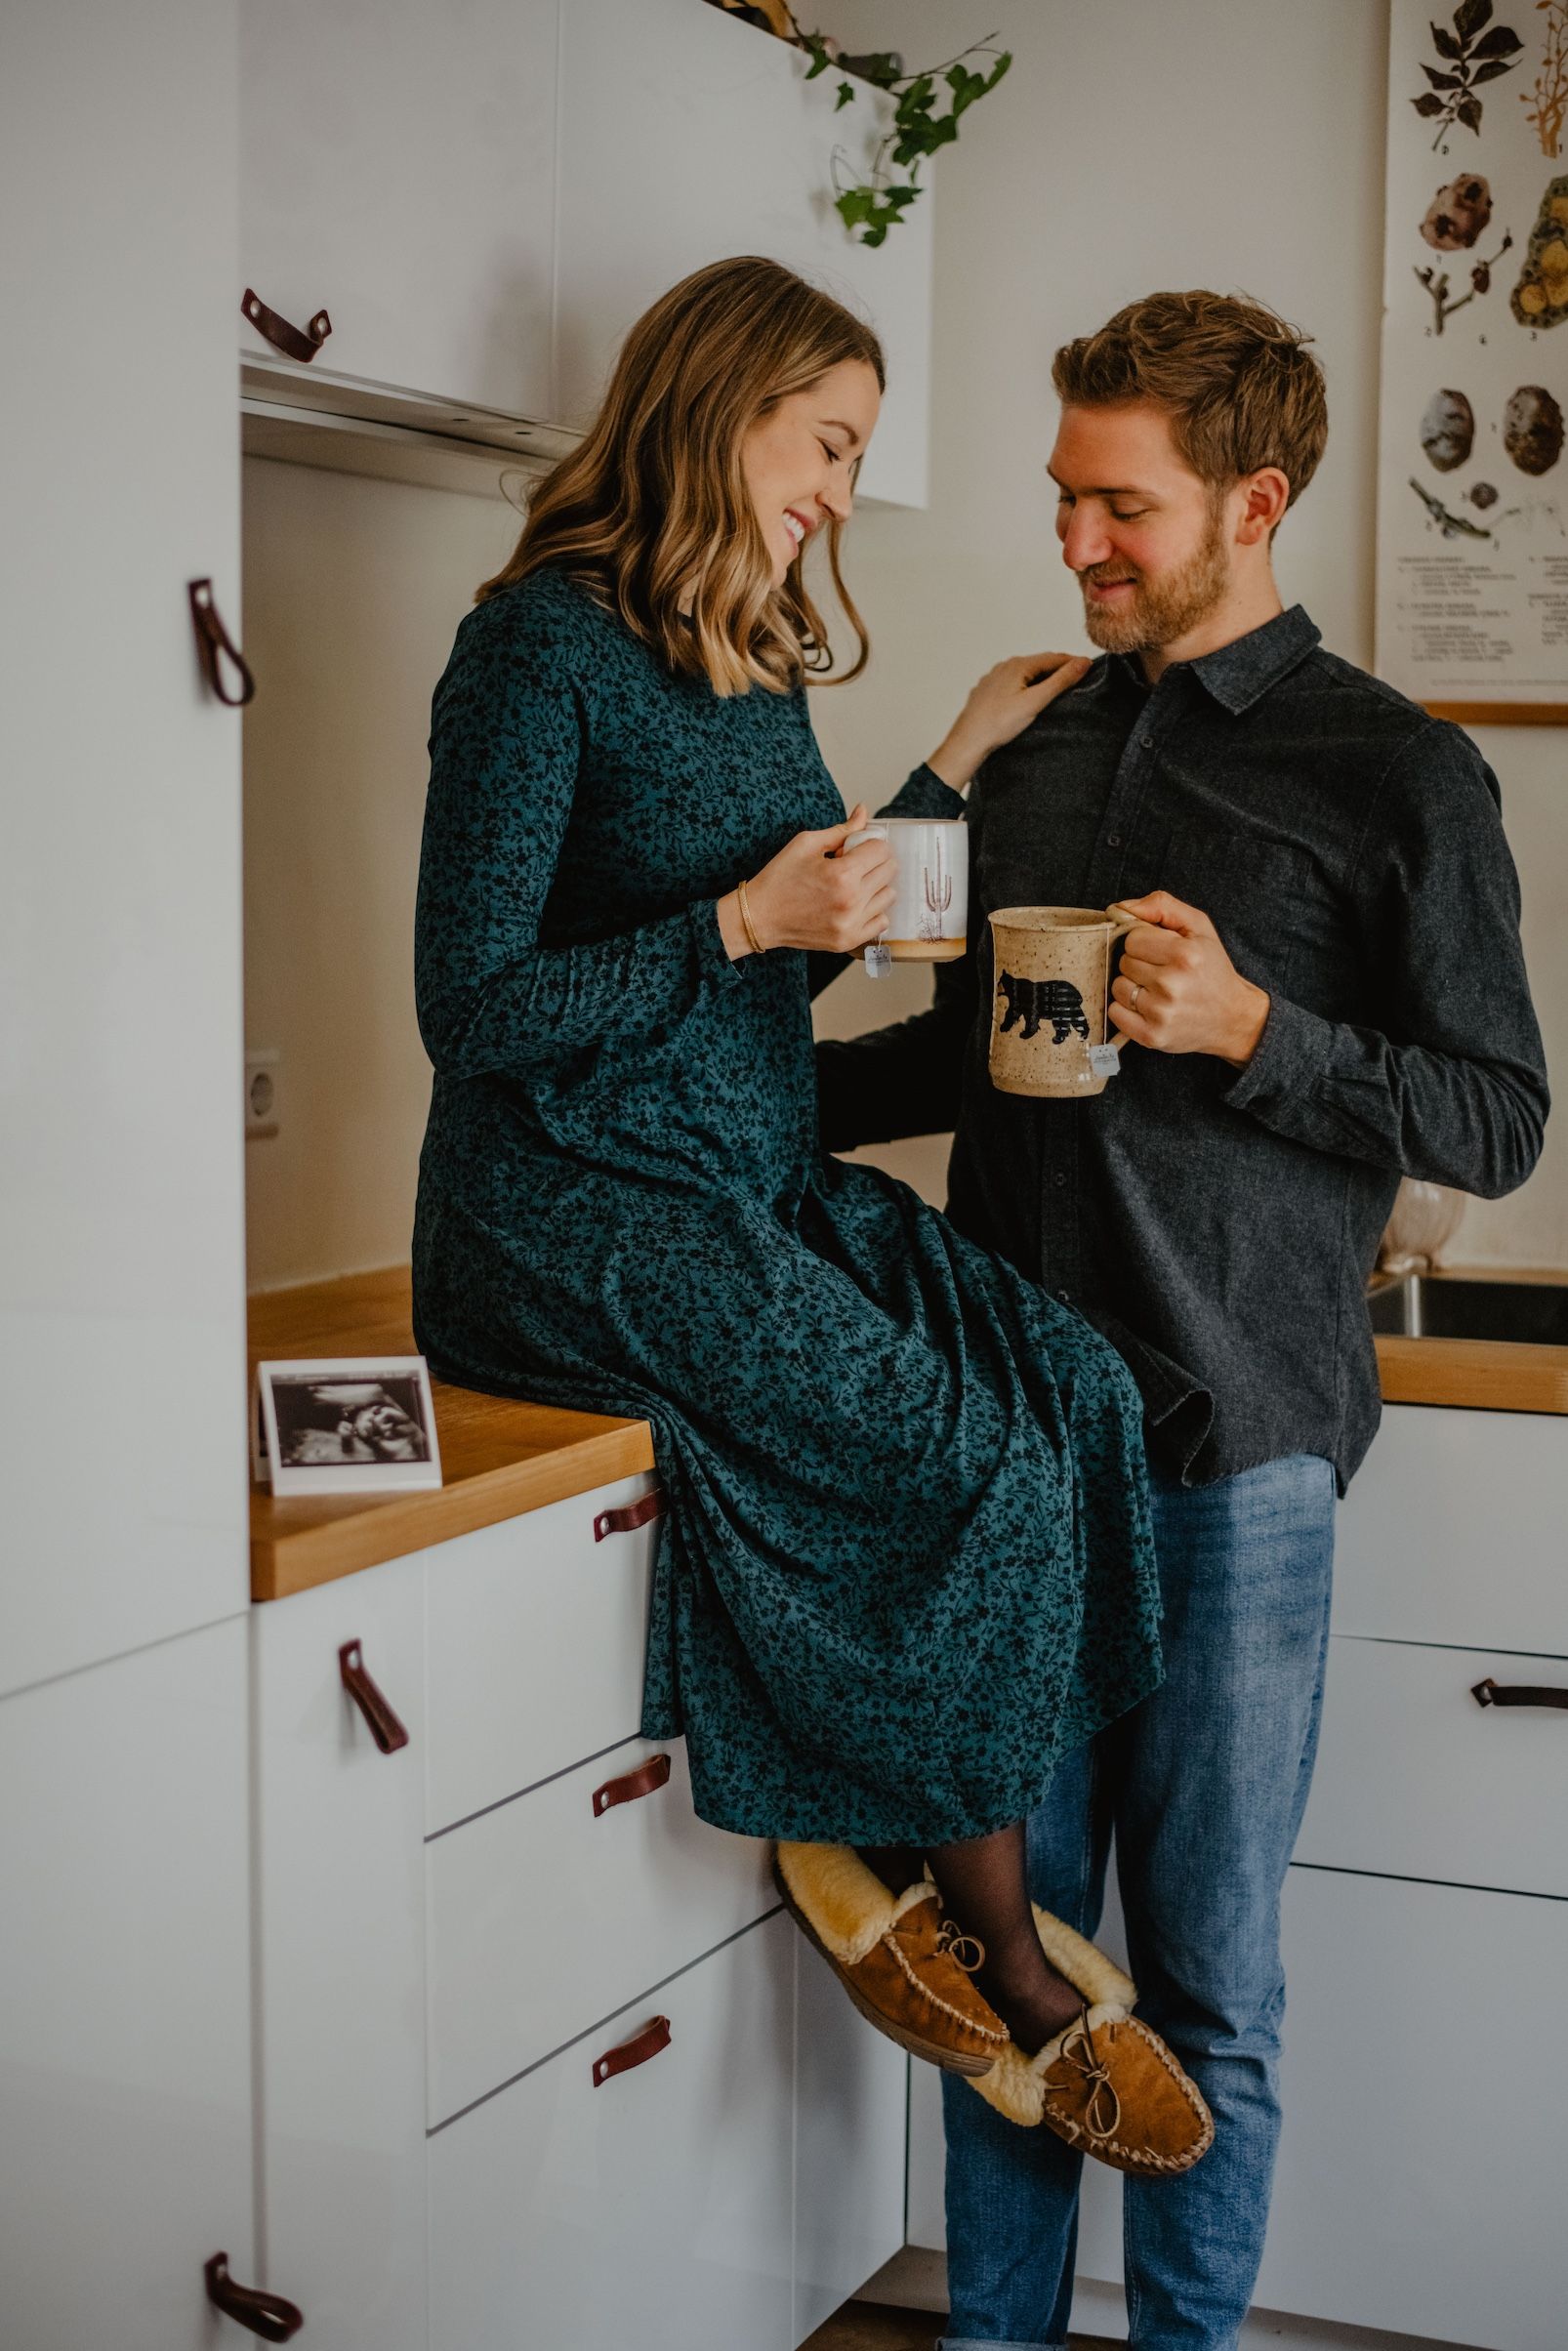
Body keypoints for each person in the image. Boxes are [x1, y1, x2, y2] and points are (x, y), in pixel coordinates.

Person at [410, 255, 1213, 2166]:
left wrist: (945, 765)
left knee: (1075, 1399)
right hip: (571, 1213)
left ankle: (872, 1824)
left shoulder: (750, 650)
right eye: (829, 443)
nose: (842, 489)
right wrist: (734, 923)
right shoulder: (533, 649)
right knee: (974, 1467)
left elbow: (786, 938)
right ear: (722, 402)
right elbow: (474, 1010)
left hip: (747, 1182)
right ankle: (1013, 1975)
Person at [817, 289, 1548, 2348]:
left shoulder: (1396, 775)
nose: (1073, 542)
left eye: (1116, 506)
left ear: (1253, 498)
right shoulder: (1031, 742)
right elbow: (947, 1037)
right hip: (1004, 1464)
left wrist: (1251, 1033)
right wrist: (707, 1104)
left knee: (1204, 1990)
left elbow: (1494, 1114)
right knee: (1002, 1969)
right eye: (1062, 498)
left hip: (1238, 1461)